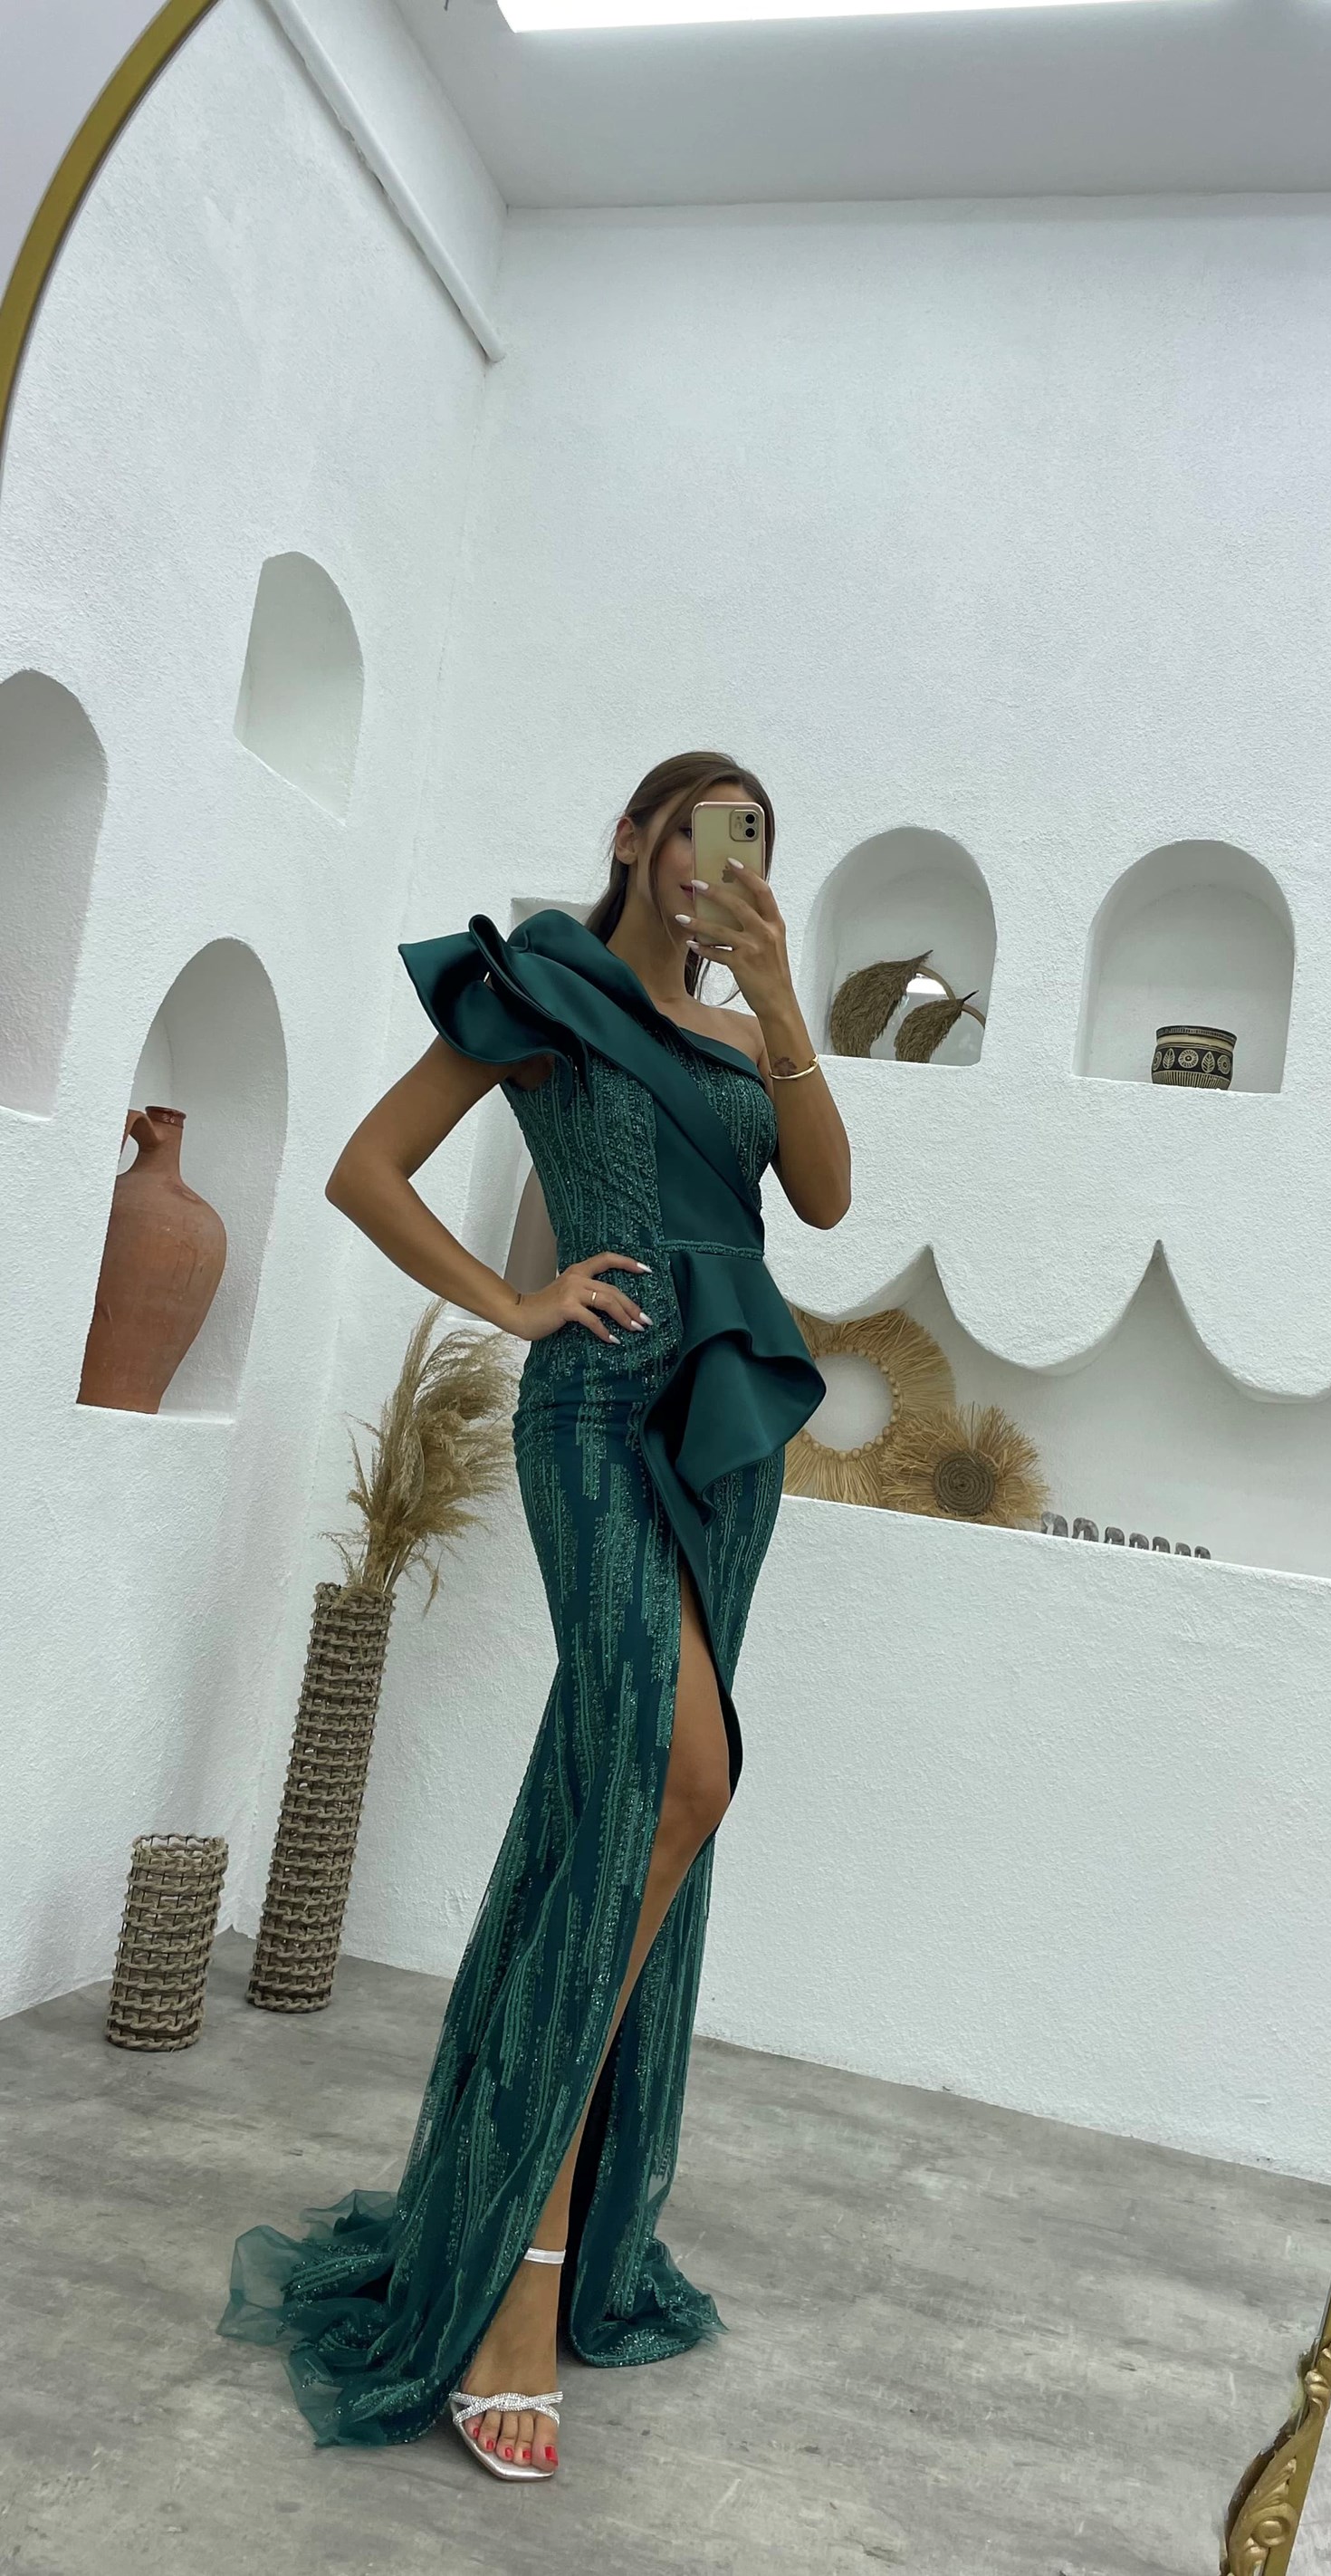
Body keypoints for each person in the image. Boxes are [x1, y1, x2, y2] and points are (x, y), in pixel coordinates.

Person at [218, 750, 850, 2483]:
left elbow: (823, 1197)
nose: (721, 859)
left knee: (627, 1802)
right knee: (684, 1777)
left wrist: (781, 993)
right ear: (637, 838)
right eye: (700, 826)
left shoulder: (742, 1035)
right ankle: (529, 2248)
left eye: (754, 841)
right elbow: (367, 1168)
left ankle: (528, 2198)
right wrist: (515, 1302)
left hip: (733, 1428)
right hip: (596, 1412)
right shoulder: (546, 986)